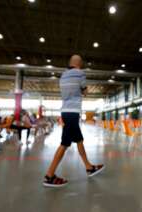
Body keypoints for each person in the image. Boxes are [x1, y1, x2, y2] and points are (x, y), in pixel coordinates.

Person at [43, 55, 104, 188]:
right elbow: (85, 91)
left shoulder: (63, 75)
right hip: (73, 112)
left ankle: (88, 167)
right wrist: (84, 90)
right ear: (79, 63)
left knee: (79, 140)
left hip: (65, 111)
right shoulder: (80, 73)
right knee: (64, 144)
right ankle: (49, 176)